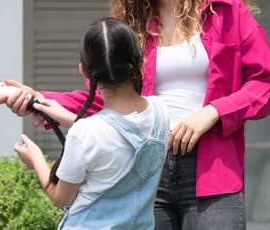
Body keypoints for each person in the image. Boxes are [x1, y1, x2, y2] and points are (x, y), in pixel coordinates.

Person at [0, 0, 270, 229]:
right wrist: (40, 99)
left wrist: (212, 112)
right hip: (146, 170)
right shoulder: (132, 21)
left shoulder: (225, 11)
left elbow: (269, 85)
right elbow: (114, 96)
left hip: (213, 171)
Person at [12, 17, 170, 229]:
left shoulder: (85, 133)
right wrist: (71, 119)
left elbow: (61, 198)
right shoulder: (160, 112)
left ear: (84, 71)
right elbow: (121, 134)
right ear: (141, 63)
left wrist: (36, 160)